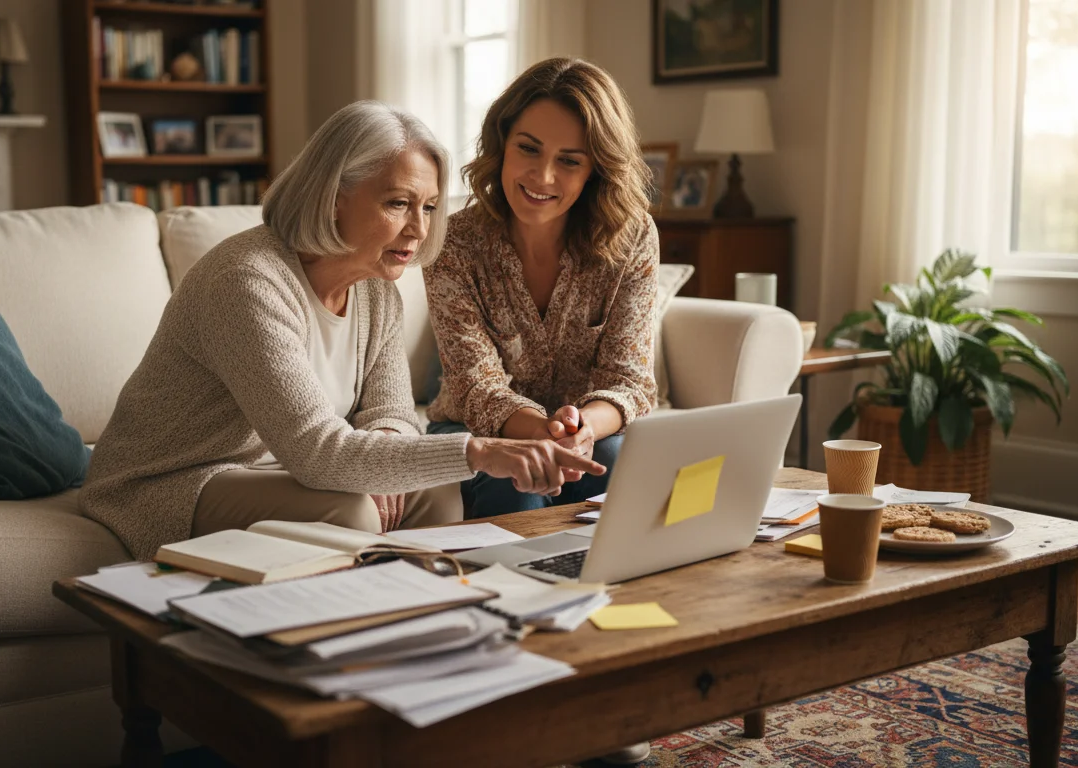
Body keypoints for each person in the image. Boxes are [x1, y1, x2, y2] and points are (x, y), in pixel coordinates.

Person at [81, 100, 603, 561]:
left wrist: (385, 449)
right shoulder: (246, 281)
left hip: (276, 472)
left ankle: (424, 629)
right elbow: (316, 450)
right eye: (397, 203)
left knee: (441, 493)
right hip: (173, 481)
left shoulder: (377, 290)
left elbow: (394, 412)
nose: (418, 230)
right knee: (352, 511)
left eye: (427, 207)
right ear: (332, 197)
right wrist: (480, 451)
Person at [425, 57, 661, 522]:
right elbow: (477, 386)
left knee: (613, 457)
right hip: (471, 429)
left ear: (595, 169)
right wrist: (545, 433)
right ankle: (509, 589)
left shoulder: (632, 238)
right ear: (502, 144)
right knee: (513, 477)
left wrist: (582, 429)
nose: (543, 177)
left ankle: (608, 585)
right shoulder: (453, 242)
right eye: (529, 149)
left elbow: (629, 379)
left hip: (588, 435)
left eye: (569, 161)